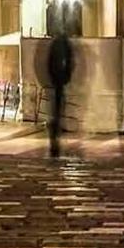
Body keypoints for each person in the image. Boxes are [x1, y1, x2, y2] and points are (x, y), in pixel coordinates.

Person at [45, 25, 74, 156]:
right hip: (60, 79)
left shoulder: (55, 44)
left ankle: (55, 126)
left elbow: (50, 63)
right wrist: (67, 76)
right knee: (58, 105)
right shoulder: (65, 44)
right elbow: (70, 62)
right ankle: (56, 126)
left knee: (56, 105)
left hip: (56, 79)